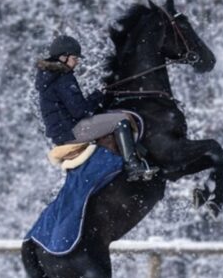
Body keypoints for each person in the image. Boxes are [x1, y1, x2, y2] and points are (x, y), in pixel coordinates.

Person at [35, 35, 157, 181]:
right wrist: (98, 95)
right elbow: (81, 111)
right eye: (74, 58)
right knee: (121, 120)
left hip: (62, 132)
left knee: (108, 117)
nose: (77, 62)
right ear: (63, 57)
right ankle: (133, 166)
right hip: (72, 131)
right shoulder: (63, 77)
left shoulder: (50, 77)